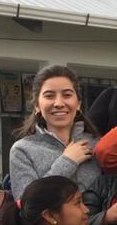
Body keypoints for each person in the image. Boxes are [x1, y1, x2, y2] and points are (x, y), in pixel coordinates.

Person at [8, 65, 102, 200]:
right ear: (36, 106)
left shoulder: (97, 144)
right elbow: (26, 203)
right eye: (49, 96)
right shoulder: (22, 150)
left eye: (67, 95)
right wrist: (68, 161)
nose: (58, 103)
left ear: (79, 104)